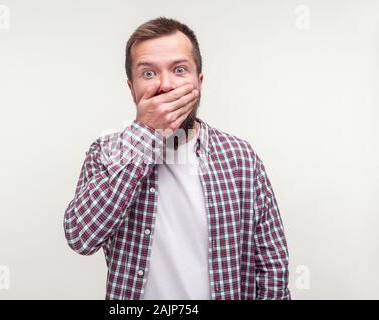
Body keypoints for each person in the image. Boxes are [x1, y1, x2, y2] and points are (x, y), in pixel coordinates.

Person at [63, 16, 291, 300]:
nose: (165, 85)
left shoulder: (242, 159)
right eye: (148, 73)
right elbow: (81, 237)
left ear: (200, 81)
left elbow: (271, 268)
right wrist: (146, 133)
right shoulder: (106, 153)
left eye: (179, 70)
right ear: (131, 88)